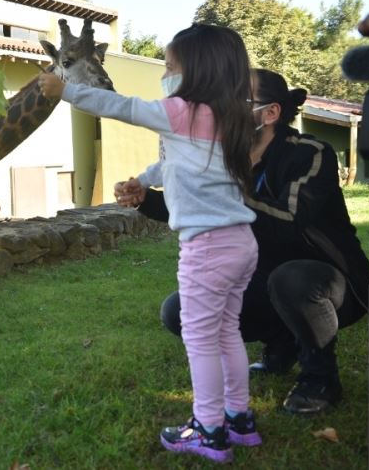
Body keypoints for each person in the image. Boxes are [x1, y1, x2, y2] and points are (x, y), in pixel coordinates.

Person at [39, 23, 259, 463]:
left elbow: (122, 107)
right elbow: (175, 162)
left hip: (207, 249)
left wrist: (65, 91)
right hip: (241, 244)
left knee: (199, 338)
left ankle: (209, 429)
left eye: (169, 66)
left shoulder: (181, 110)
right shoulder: (231, 116)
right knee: (226, 331)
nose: (164, 74)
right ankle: (239, 419)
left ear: (196, 70)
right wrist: (142, 178)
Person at [116, 67, 369, 416]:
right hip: (261, 276)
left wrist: (223, 191)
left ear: (270, 113)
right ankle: (280, 344)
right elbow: (193, 207)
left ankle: (320, 377)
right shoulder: (225, 157)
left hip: (327, 283)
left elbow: (290, 223)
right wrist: (144, 197)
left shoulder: (311, 153)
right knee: (179, 311)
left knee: (290, 278)